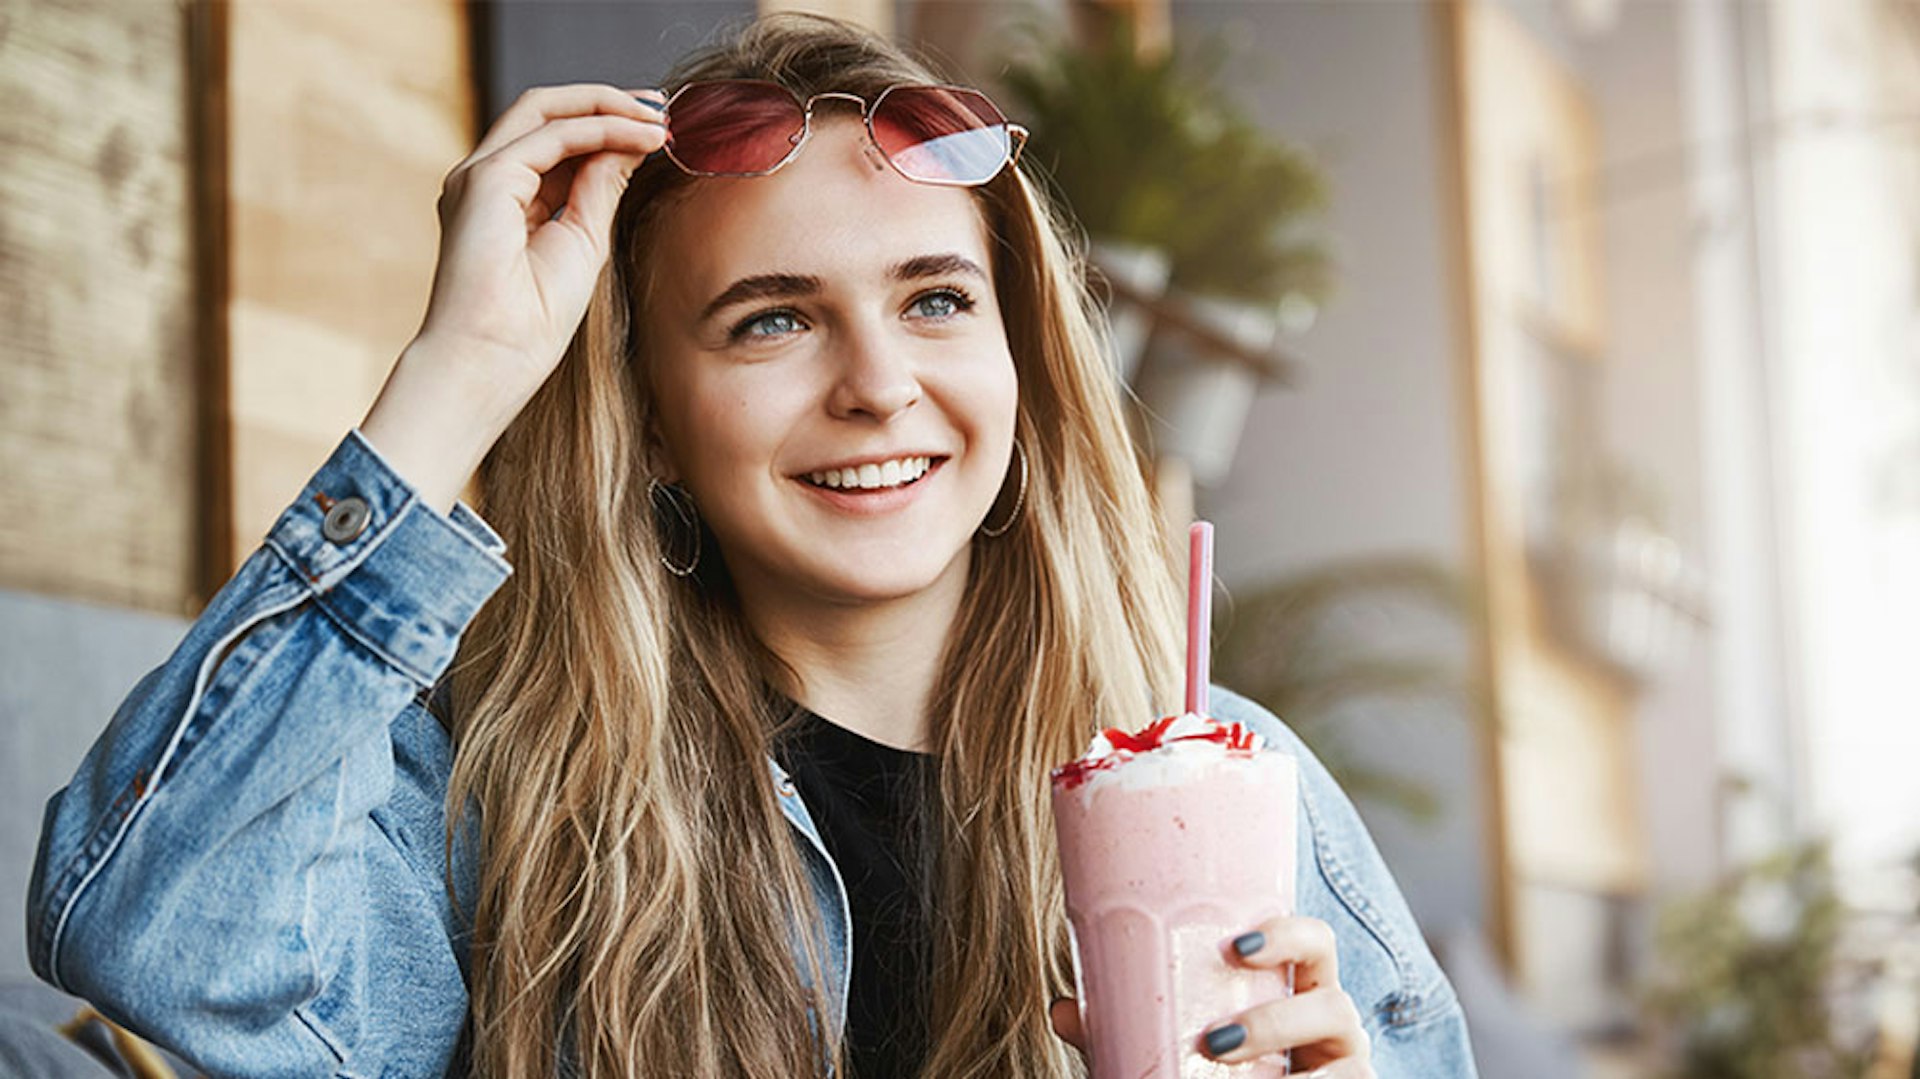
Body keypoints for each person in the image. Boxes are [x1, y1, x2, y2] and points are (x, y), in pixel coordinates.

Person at [26, 13, 1476, 1079]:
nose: (876, 383)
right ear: (651, 418)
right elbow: (147, 929)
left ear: (1019, 356)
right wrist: (460, 372)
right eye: (771, 318)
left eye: (935, 301)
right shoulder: (500, 796)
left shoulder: (1221, 778)